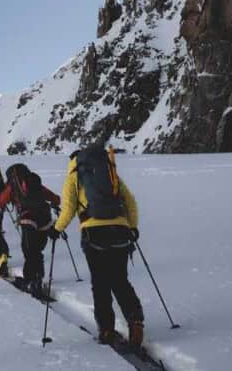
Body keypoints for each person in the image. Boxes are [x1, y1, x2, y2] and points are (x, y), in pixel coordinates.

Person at [52, 144, 144, 348]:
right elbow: (130, 202)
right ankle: (135, 319)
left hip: (94, 234)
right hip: (120, 231)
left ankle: (106, 329)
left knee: (100, 283)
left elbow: (68, 209)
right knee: (120, 280)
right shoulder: (111, 174)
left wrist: (56, 229)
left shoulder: (74, 178)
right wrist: (132, 226)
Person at [0, 163, 60, 297]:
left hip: (28, 219)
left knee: (29, 250)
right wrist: (55, 201)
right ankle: (37, 278)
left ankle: (30, 280)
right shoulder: (34, 182)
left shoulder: (13, 185)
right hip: (45, 219)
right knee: (36, 250)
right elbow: (54, 198)